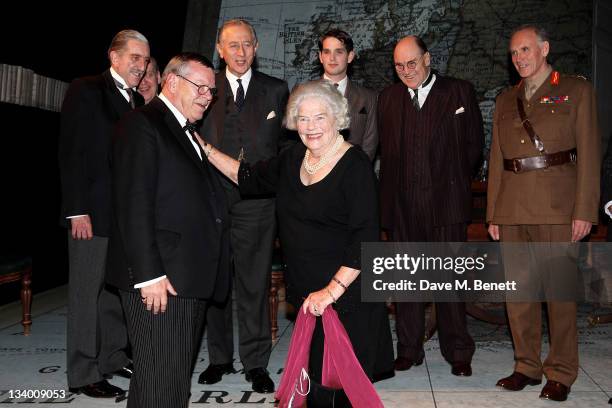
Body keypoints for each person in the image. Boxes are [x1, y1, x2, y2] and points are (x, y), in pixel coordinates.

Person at [198, 79, 394, 406]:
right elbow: (247, 176)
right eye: (302, 118)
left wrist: (330, 292)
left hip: (346, 294)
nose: (310, 126)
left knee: (339, 390)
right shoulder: (292, 159)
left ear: (337, 119)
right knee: (315, 384)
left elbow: (365, 239)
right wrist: (203, 148)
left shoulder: (355, 166)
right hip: (307, 293)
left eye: (319, 117)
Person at [106, 52, 230, 408]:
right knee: (164, 387)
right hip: (162, 280)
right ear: (172, 82)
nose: (208, 95)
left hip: (185, 277)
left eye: (211, 90)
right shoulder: (142, 124)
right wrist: (148, 274)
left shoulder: (183, 130)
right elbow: (133, 204)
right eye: (202, 87)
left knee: (160, 383)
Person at [487, 24, 601, 402]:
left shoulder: (576, 90)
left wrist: (584, 210)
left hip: (558, 206)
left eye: (525, 50)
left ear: (544, 48)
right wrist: (493, 214)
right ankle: (526, 366)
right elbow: (497, 162)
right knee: (517, 294)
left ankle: (562, 371)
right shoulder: (505, 99)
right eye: (514, 53)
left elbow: (589, 156)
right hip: (513, 207)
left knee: (559, 295)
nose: (519, 57)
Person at [378, 35, 482, 376]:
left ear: (428, 59)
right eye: (399, 66)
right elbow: (387, 154)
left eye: (412, 63)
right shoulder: (389, 98)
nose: (406, 71)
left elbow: (473, 148)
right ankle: (408, 349)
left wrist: (449, 183)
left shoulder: (458, 91)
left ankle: (458, 352)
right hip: (403, 206)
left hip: (446, 205)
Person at [197, 18, 289, 394]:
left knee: (253, 286)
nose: (240, 52)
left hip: (258, 205)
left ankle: (255, 363)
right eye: (232, 45)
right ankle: (219, 358)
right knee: (216, 285)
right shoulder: (204, 87)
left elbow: (285, 147)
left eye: (247, 44)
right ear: (220, 50)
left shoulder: (276, 89)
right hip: (211, 202)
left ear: (256, 48)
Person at [58, 29, 149, 398]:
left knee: (113, 292)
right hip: (90, 215)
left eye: (145, 60)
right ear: (114, 57)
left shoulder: (135, 102)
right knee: (85, 295)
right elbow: (71, 152)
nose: (141, 66)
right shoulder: (86, 89)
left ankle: (112, 357)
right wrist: (76, 210)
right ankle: (82, 372)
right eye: (134, 58)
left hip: (122, 218)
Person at [318, 29, 378, 160]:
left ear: (350, 56)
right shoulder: (303, 93)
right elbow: (293, 144)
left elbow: (369, 147)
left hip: (352, 175)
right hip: (312, 175)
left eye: (339, 52)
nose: (332, 58)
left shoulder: (369, 98)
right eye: (327, 52)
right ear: (320, 56)